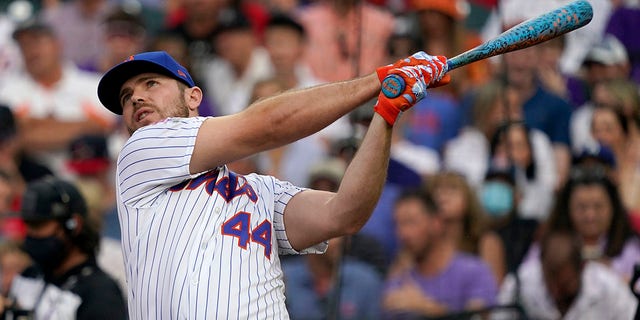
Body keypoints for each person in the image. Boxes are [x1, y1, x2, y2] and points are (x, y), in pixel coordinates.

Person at [95, 49, 448, 318]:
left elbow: (345, 214)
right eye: (126, 97)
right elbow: (268, 124)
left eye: (150, 84)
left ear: (193, 97)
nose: (136, 98)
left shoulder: (261, 191)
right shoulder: (141, 150)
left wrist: (385, 112)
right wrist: (378, 80)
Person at [0, 19, 117, 177]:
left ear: (58, 44)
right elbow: (12, 141)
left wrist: (31, 126)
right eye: (24, 45)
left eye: (37, 41)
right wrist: (82, 126)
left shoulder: (94, 85)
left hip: (89, 182)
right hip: (29, 184)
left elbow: (104, 129)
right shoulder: (9, 92)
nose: (31, 51)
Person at [8, 177, 127, 319]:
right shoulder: (29, 275)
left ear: (73, 224)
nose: (30, 234)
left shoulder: (100, 292)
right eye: (27, 225)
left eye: (38, 225)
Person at [382, 187, 498, 318]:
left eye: (411, 222)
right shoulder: (399, 281)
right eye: (398, 224)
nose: (403, 233)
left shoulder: (474, 272)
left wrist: (426, 307)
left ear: (436, 223)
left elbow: (478, 317)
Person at [495, 229, 638, 320]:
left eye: (564, 285)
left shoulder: (609, 287)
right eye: (550, 283)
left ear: (582, 267)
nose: (556, 292)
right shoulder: (519, 284)